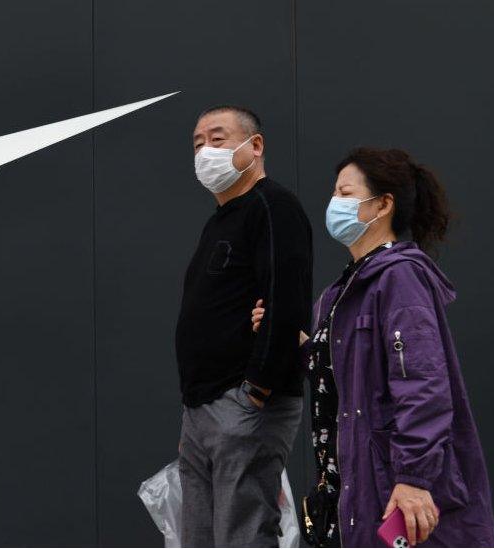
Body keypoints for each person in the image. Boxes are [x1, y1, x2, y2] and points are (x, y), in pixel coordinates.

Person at [252, 147, 494, 547]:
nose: (335, 203)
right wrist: (292, 341)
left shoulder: (399, 278)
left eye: (346, 193)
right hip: (344, 490)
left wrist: (414, 479)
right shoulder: (340, 292)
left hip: (388, 489)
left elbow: (423, 386)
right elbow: (340, 376)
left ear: (383, 204)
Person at [176, 105, 313, 546]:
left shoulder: (272, 207)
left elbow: (286, 300)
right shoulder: (220, 220)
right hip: (202, 408)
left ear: (254, 146)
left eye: (217, 139)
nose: (204, 152)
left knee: (243, 535)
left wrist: (256, 389)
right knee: (199, 537)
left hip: (245, 403)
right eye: (197, 144)